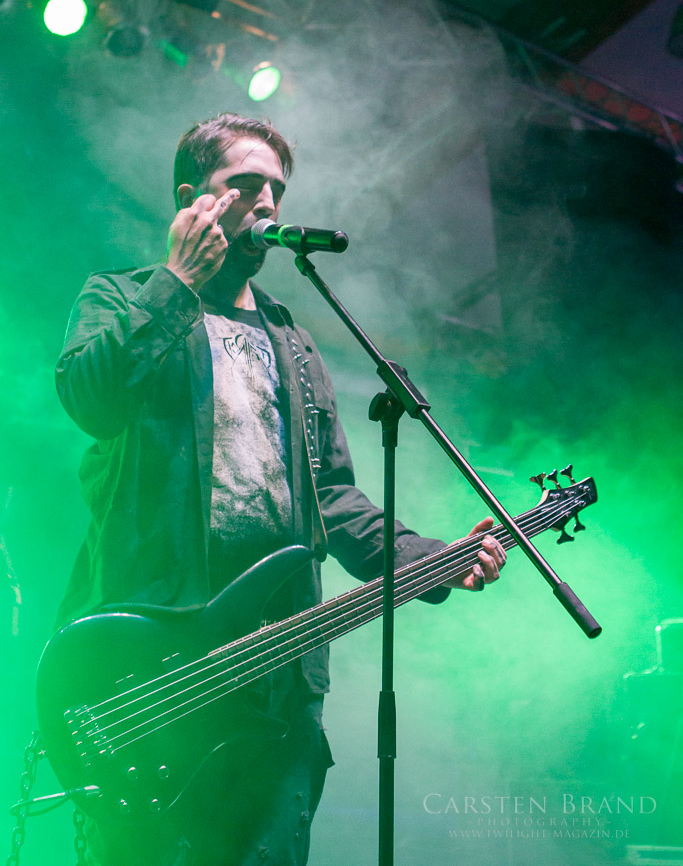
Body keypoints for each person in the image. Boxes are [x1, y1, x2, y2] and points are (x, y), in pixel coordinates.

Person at [54, 112, 506, 866]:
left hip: (277, 670)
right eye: (245, 184)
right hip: (153, 658)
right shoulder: (120, 295)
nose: (266, 202)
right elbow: (92, 401)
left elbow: (331, 498)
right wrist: (177, 282)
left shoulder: (291, 341)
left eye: (277, 189)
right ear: (191, 197)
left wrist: (431, 560)